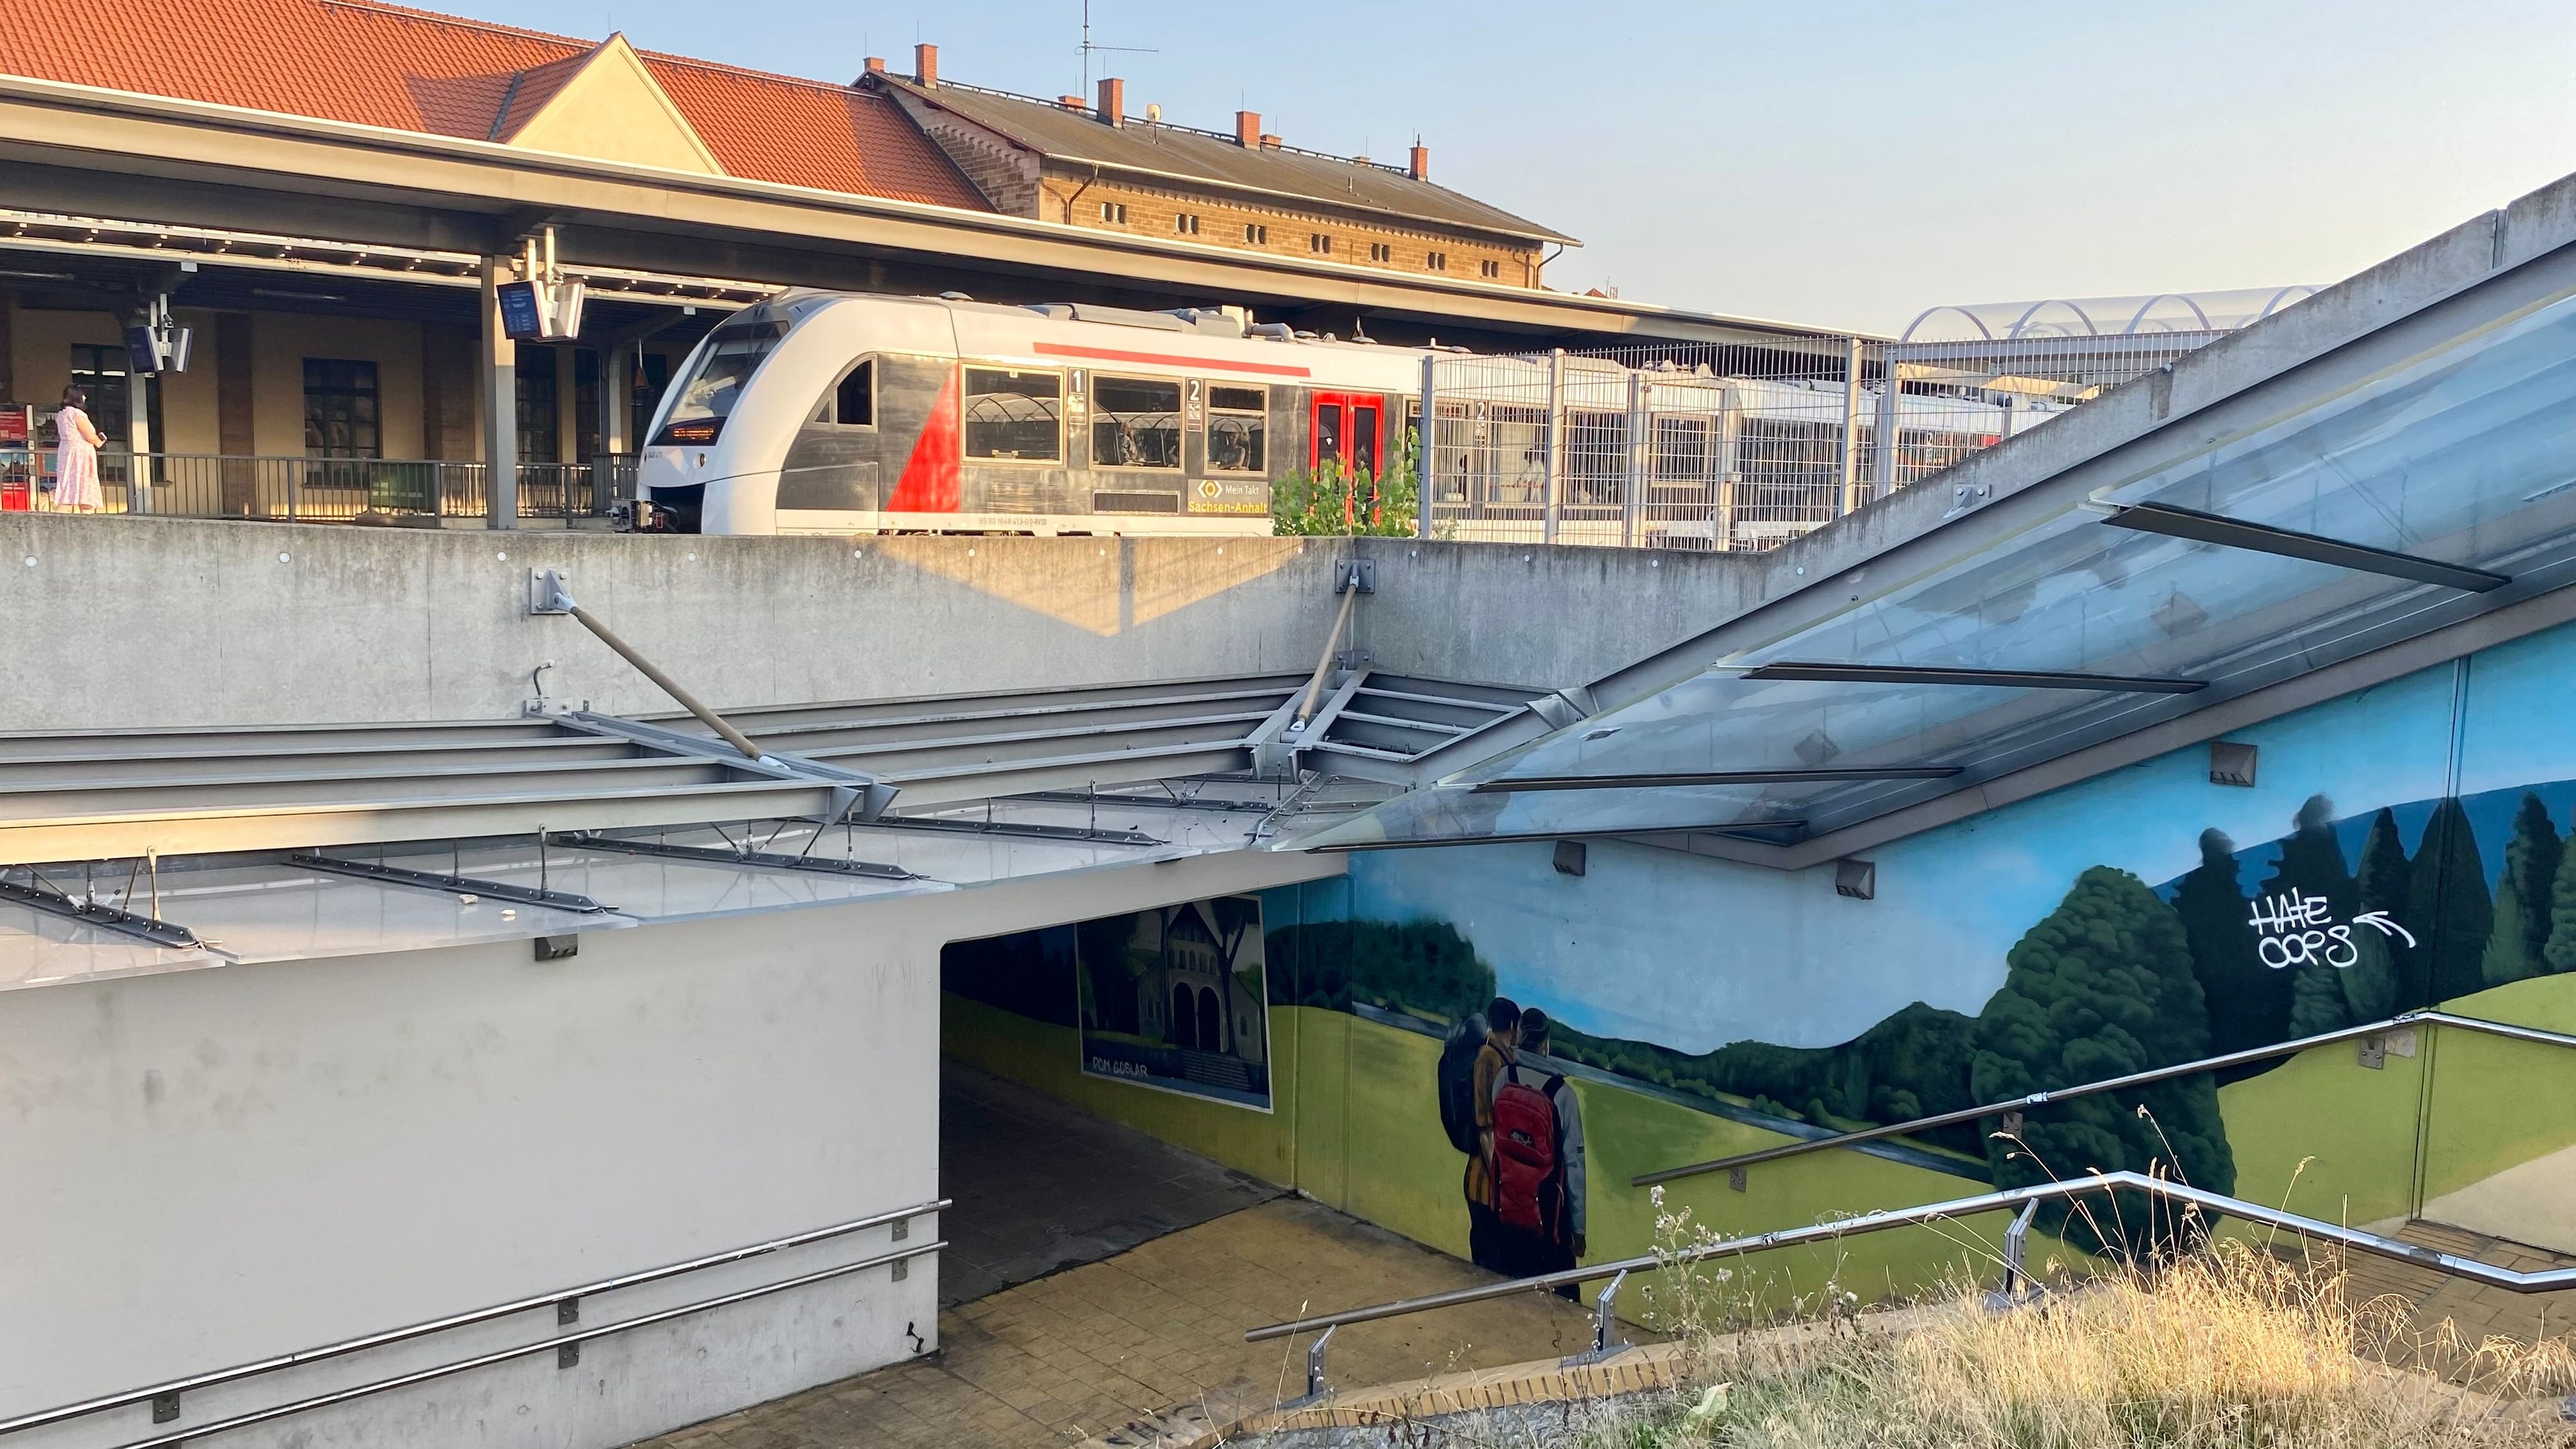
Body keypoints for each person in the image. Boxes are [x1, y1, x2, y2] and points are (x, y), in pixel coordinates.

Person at [1511, 1009, 1588, 1298]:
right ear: (1546, 1044)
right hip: (1550, 1215)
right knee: (1564, 1296)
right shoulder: (1562, 1094)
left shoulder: (1505, 1077)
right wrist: (1578, 1229)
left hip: (1510, 1205)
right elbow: (1574, 1164)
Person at [1461, 995, 1520, 1274]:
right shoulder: (1489, 1058)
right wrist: (1500, 1177)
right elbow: (1485, 1126)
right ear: (1512, 1025)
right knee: (1486, 1255)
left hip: (1490, 1180)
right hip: (1483, 1182)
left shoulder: (1503, 1058)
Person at [52, 386, 104, 514]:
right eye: (83, 395)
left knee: (68, 490)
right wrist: (99, 440)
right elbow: (90, 436)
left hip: (67, 452)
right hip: (81, 455)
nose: (85, 398)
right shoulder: (77, 414)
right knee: (85, 490)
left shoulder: (62, 414)